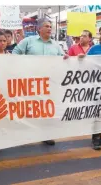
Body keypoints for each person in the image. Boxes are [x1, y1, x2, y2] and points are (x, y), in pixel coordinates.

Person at [12, 18, 68, 146]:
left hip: (49, 84)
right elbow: (15, 53)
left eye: (50, 26)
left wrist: (66, 58)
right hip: (30, 82)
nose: (50, 28)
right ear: (39, 29)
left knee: (47, 109)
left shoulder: (55, 45)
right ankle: (25, 133)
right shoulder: (28, 41)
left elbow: (63, 59)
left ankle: (46, 135)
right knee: (29, 107)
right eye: (47, 26)